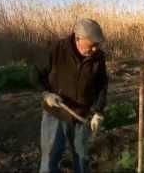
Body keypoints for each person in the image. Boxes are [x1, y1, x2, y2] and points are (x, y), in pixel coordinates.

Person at [36, 18, 108, 173]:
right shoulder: (57, 49)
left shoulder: (99, 58)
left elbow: (101, 85)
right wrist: (46, 93)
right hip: (56, 113)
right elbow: (35, 74)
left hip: (81, 116)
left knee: (82, 157)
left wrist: (98, 111)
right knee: (50, 156)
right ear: (78, 38)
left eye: (97, 45)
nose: (95, 49)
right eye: (92, 45)